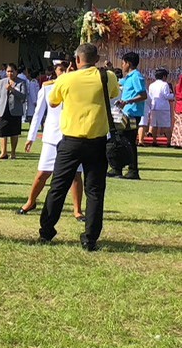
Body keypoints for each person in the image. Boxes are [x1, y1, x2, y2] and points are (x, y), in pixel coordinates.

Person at [37, 42, 119, 252]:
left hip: (70, 141)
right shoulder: (107, 76)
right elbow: (113, 95)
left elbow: (53, 102)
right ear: (97, 59)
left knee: (58, 187)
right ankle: (90, 238)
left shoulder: (66, 79)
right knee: (95, 191)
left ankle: (46, 231)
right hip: (97, 141)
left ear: (76, 60)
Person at [18, 59, 84, 223]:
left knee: (76, 175)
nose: (63, 72)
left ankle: (77, 210)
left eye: (66, 69)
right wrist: (31, 137)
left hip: (73, 135)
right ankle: (31, 201)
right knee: (43, 173)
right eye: (60, 69)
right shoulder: (48, 87)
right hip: (52, 136)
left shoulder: (79, 86)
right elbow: (38, 113)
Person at [111, 51, 147, 179]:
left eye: (123, 63)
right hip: (126, 113)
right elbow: (118, 82)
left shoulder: (136, 77)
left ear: (128, 63)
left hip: (133, 113)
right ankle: (117, 168)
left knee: (129, 141)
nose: (122, 65)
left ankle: (132, 170)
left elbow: (143, 95)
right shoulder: (129, 77)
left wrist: (128, 101)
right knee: (121, 140)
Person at [0, 63, 28, 158]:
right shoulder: (2, 82)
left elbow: (23, 97)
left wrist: (12, 90)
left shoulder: (21, 82)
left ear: (16, 72)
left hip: (15, 110)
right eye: (8, 71)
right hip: (2, 109)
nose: (10, 73)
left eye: (12, 71)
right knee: (2, 132)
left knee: (14, 133)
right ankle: (3, 152)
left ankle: (13, 153)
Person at [143, 68, 172, 147]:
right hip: (163, 107)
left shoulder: (152, 85)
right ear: (164, 76)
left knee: (154, 125)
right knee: (166, 125)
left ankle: (154, 141)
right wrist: (172, 95)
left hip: (154, 106)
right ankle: (169, 142)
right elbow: (166, 95)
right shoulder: (165, 84)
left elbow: (150, 96)